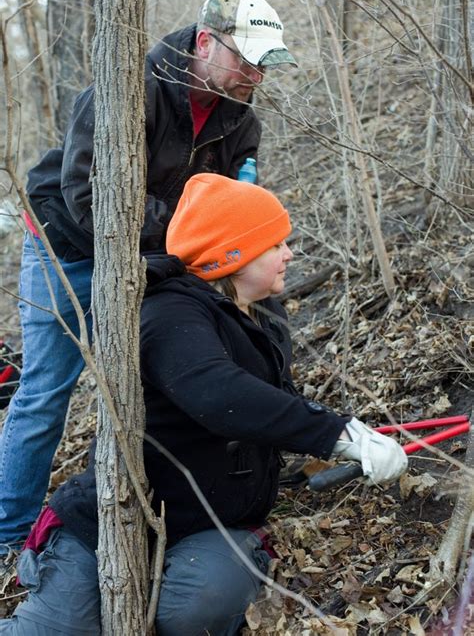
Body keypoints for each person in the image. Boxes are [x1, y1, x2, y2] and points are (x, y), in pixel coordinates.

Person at [0, 174, 408, 634]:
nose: (289, 254)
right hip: (109, 514)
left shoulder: (259, 311)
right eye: (275, 244)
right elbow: (217, 392)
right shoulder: (168, 312)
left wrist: (338, 435)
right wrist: (338, 434)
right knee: (60, 630)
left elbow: (269, 400)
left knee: (190, 614)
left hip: (214, 520)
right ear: (232, 254)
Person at [0, 0, 297, 566]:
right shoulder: (129, 88)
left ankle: (203, 489)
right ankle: (9, 533)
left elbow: (237, 202)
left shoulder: (240, 117)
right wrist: (186, 240)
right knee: (46, 392)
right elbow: (87, 198)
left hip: (165, 255)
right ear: (207, 43)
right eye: (246, 61)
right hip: (65, 247)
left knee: (173, 372)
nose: (255, 77)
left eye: (264, 66)